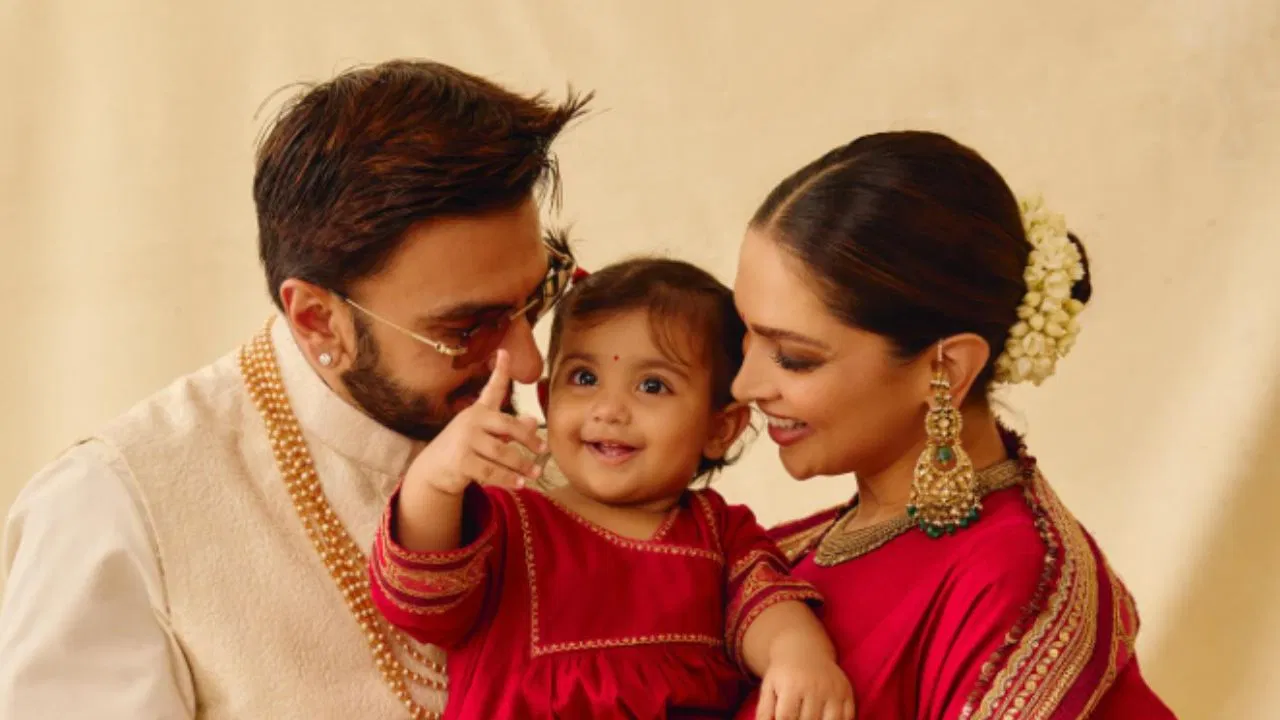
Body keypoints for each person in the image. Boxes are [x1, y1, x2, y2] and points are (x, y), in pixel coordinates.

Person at [0, 59, 590, 719]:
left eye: (537, 295)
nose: (529, 364)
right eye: (467, 328)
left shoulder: (575, 458)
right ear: (317, 320)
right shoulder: (116, 510)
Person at [729, 131, 1177, 719]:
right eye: (745, 335)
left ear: (944, 368)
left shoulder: (1010, 580)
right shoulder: (796, 549)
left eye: (794, 357)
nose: (744, 385)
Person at [369, 258, 856, 720]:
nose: (609, 410)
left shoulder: (719, 533)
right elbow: (420, 602)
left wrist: (798, 657)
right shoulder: (507, 522)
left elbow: (767, 607)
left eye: (652, 386)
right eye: (584, 378)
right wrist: (434, 480)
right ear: (547, 399)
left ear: (720, 428)